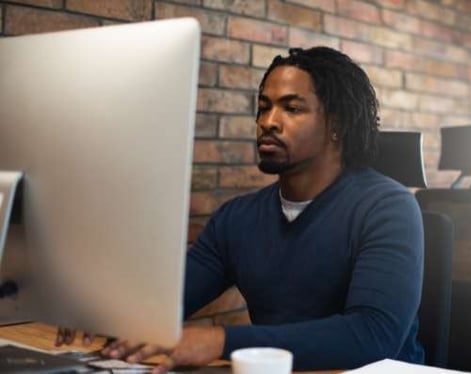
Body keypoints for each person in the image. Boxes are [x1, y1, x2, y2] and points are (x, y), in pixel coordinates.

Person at [57, 46, 424, 373]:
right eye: (263, 107)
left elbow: (373, 335)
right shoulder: (237, 217)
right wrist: (105, 313)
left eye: (292, 108)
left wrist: (219, 341)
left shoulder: (387, 207)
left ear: (336, 125)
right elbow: (167, 305)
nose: (268, 122)